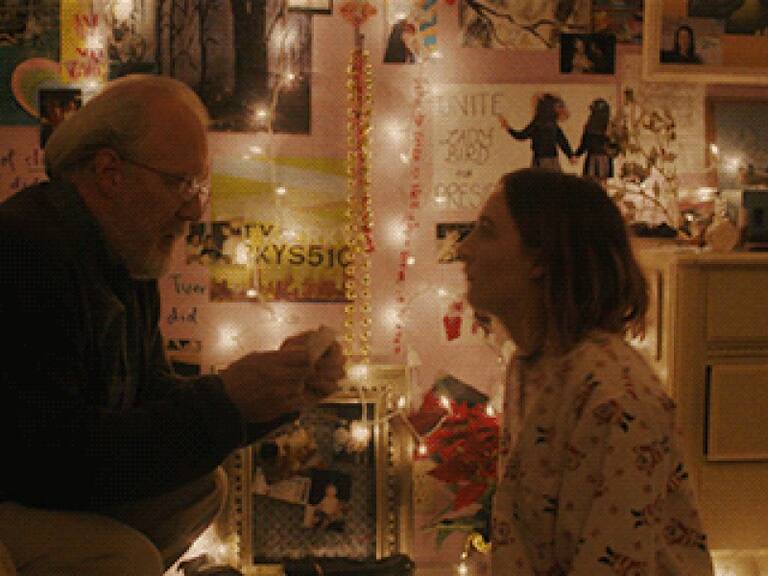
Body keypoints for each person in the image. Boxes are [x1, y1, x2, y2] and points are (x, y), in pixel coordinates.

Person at [0, 74, 346, 576]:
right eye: (179, 183)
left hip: (47, 477)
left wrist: (273, 394)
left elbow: (148, 397)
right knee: (126, 559)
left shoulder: (121, 254)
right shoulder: (26, 252)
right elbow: (51, 459)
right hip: (21, 483)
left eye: (198, 186)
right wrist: (226, 402)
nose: (194, 209)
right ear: (109, 172)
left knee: (202, 489)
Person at [457, 169, 713, 575]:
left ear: (541, 259)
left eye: (486, 232)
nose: (464, 249)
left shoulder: (615, 397)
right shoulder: (530, 367)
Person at [497, 93, 577, 171]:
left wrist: (508, 128)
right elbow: (562, 141)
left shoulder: (538, 123)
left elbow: (521, 136)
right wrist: (570, 155)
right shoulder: (552, 125)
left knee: (538, 178)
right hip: (549, 160)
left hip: (540, 159)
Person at [573, 98, 615, 184]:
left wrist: (576, 155)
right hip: (603, 159)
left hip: (594, 158)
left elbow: (585, 143)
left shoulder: (592, 126)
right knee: (600, 183)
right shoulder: (610, 126)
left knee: (593, 183)